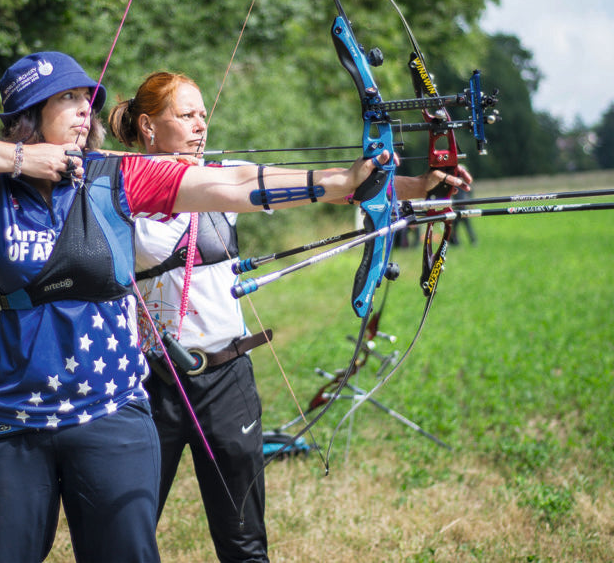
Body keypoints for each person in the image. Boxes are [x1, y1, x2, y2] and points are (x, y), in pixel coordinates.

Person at [0, 52, 410, 563]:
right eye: (66, 98)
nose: (82, 110)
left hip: (109, 406)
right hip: (9, 413)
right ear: (28, 116)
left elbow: (232, 184)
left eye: (86, 100)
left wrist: (338, 183)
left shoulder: (118, 178)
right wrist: (20, 160)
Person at [106, 71, 472, 563]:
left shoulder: (224, 173)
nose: (200, 124)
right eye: (186, 115)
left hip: (224, 378)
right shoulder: (117, 184)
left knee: (243, 542)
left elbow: (328, 187)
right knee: (125, 535)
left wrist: (421, 186)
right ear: (149, 125)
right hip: (151, 381)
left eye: (202, 114)